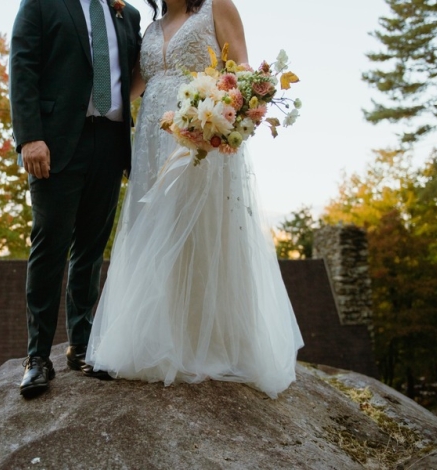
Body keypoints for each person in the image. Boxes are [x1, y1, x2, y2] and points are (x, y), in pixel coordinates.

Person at [86, 0, 304, 398]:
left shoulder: (217, 7)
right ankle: (157, 342)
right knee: (155, 229)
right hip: (152, 139)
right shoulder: (151, 28)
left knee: (200, 234)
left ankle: (212, 345)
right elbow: (131, 84)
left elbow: (244, 80)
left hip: (201, 142)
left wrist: (214, 124)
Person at [10, 0, 142, 398]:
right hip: (56, 142)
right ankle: (37, 358)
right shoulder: (42, 4)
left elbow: (135, 75)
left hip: (111, 142)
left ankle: (82, 346)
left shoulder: (127, 14)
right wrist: (30, 136)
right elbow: (23, 67)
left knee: (90, 249)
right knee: (50, 245)